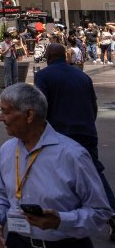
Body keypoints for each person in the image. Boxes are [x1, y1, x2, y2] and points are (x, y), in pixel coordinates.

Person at [0, 84, 113, 247]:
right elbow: (3, 198)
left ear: (29, 114)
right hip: (17, 242)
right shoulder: (7, 150)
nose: (0, 118)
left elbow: (100, 212)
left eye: (6, 112)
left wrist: (61, 221)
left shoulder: (73, 155)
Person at [35, 43, 115, 239]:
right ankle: (111, 213)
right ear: (66, 56)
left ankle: (64, 218)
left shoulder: (43, 76)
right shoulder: (83, 76)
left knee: (57, 173)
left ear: (48, 57)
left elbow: (41, 106)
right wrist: (87, 125)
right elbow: (94, 105)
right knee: (94, 172)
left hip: (59, 132)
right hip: (86, 131)